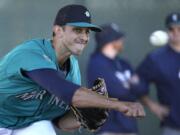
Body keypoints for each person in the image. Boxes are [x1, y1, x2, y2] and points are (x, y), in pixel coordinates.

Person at [0, 4, 145, 135]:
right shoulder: (31, 53)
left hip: (24, 125)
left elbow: (59, 121)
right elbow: (65, 90)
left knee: (44, 127)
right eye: (77, 30)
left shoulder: (73, 70)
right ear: (58, 30)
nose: (84, 37)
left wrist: (83, 117)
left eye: (87, 32)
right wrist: (118, 104)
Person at [87, 23, 142, 135]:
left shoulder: (123, 63)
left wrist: (128, 87)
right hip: (108, 127)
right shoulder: (96, 63)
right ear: (109, 41)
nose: (122, 40)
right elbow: (118, 91)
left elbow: (141, 89)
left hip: (129, 125)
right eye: (118, 38)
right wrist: (131, 84)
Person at [137, 12, 180, 135]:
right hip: (174, 127)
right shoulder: (156, 58)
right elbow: (137, 83)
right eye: (172, 29)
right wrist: (152, 105)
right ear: (167, 31)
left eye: (179, 28)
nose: (176, 32)